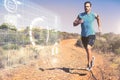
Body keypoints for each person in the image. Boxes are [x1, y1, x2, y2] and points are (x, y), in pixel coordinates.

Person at [73, 1, 101, 70]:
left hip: (91, 34)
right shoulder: (80, 15)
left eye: (88, 6)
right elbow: (74, 24)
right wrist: (79, 22)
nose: (86, 7)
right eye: (85, 6)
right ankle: (92, 60)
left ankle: (89, 65)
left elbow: (98, 17)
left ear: (90, 7)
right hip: (83, 36)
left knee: (88, 48)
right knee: (87, 51)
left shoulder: (93, 14)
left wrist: (99, 26)